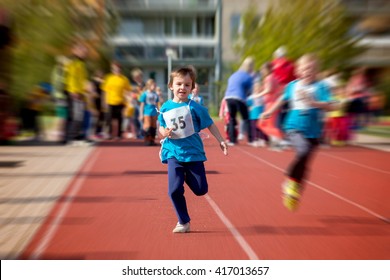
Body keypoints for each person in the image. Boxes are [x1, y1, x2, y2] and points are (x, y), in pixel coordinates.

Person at [158, 65, 228, 233]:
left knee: (200, 190)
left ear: (192, 87)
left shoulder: (195, 107)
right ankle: (183, 221)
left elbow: (210, 123)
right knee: (174, 190)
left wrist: (221, 140)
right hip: (173, 152)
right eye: (179, 84)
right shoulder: (165, 107)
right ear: (171, 86)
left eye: (187, 85)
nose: (183, 88)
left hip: (193, 154)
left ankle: (186, 176)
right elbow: (161, 126)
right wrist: (164, 132)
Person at [261, 54, 334, 211]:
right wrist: (269, 111)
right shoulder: (293, 86)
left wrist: (314, 103)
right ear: (299, 70)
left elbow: (331, 106)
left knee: (305, 161)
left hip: (314, 129)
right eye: (305, 68)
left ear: (317, 71)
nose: (308, 71)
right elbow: (282, 100)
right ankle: (290, 182)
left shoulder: (321, 87)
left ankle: (294, 186)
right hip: (294, 126)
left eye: (312, 68)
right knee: (303, 151)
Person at [223, 57, 255, 145]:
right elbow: (249, 91)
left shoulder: (234, 74)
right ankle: (251, 140)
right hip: (239, 97)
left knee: (232, 118)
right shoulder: (248, 76)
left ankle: (232, 140)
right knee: (246, 118)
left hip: (228, 97)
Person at [63, 42, 89, 145]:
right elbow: (72, 78)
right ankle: (71, 138)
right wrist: (74, 91)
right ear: (75, 50)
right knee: (76, 116)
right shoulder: (73, 62)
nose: (84, 53)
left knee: (78, 115)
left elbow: (81, 79)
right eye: (82, 50)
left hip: (80, 93)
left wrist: (84, 92)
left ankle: (75, 137)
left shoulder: (81, 63)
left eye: (85, 51)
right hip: (74, 92)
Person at [255, 62, 284, 150]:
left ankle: (279, 137)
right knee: (266, 124)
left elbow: (269, 89)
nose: (262, 72)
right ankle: (275, 143)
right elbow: (278, 90)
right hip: (271, 104)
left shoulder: (269, 78)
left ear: (267, 69)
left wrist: (259, 94)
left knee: (263, 124)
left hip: (271, 105)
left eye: (262, 70)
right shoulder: (274, 78)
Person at [101, 62, 131, 140]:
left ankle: (118, 134)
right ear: (112, 70)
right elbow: (105, 91)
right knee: (109, 119)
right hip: (110, 102)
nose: (117, 70)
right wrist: (104, 102)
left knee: (119, 119)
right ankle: (110, 134)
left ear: (120, 70)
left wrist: (128, 102)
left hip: (120, 102)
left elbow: (128, 91)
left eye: (118, 69)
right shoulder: (108, 78)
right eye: (115, 69)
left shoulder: (124, 79)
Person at [139, 79, 159, 146]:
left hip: (154, 113)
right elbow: (142, 105)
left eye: (155, 85)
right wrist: (141, 114)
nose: (154, 86)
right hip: (147, 113)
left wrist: (158, 112)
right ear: (149, 85)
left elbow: (156, 104)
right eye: (153, 85)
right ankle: (147, 140)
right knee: (148, 127)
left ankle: (152, 140)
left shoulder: (155, 94)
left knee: (153, 127)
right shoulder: (145, 94)